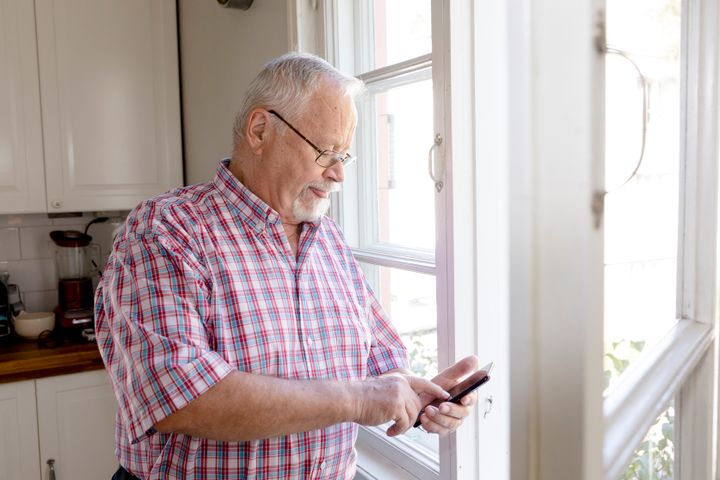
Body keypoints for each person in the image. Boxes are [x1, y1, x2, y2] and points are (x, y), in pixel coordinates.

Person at [96, 52, 479, 480]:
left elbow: (379, 357)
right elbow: (177, 395)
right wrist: (357, 399)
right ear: (260, 130)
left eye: (345, 156)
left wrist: (414, 392)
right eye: (327, 151)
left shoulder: (328, 238)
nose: (338, 174)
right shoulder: (167, 229)